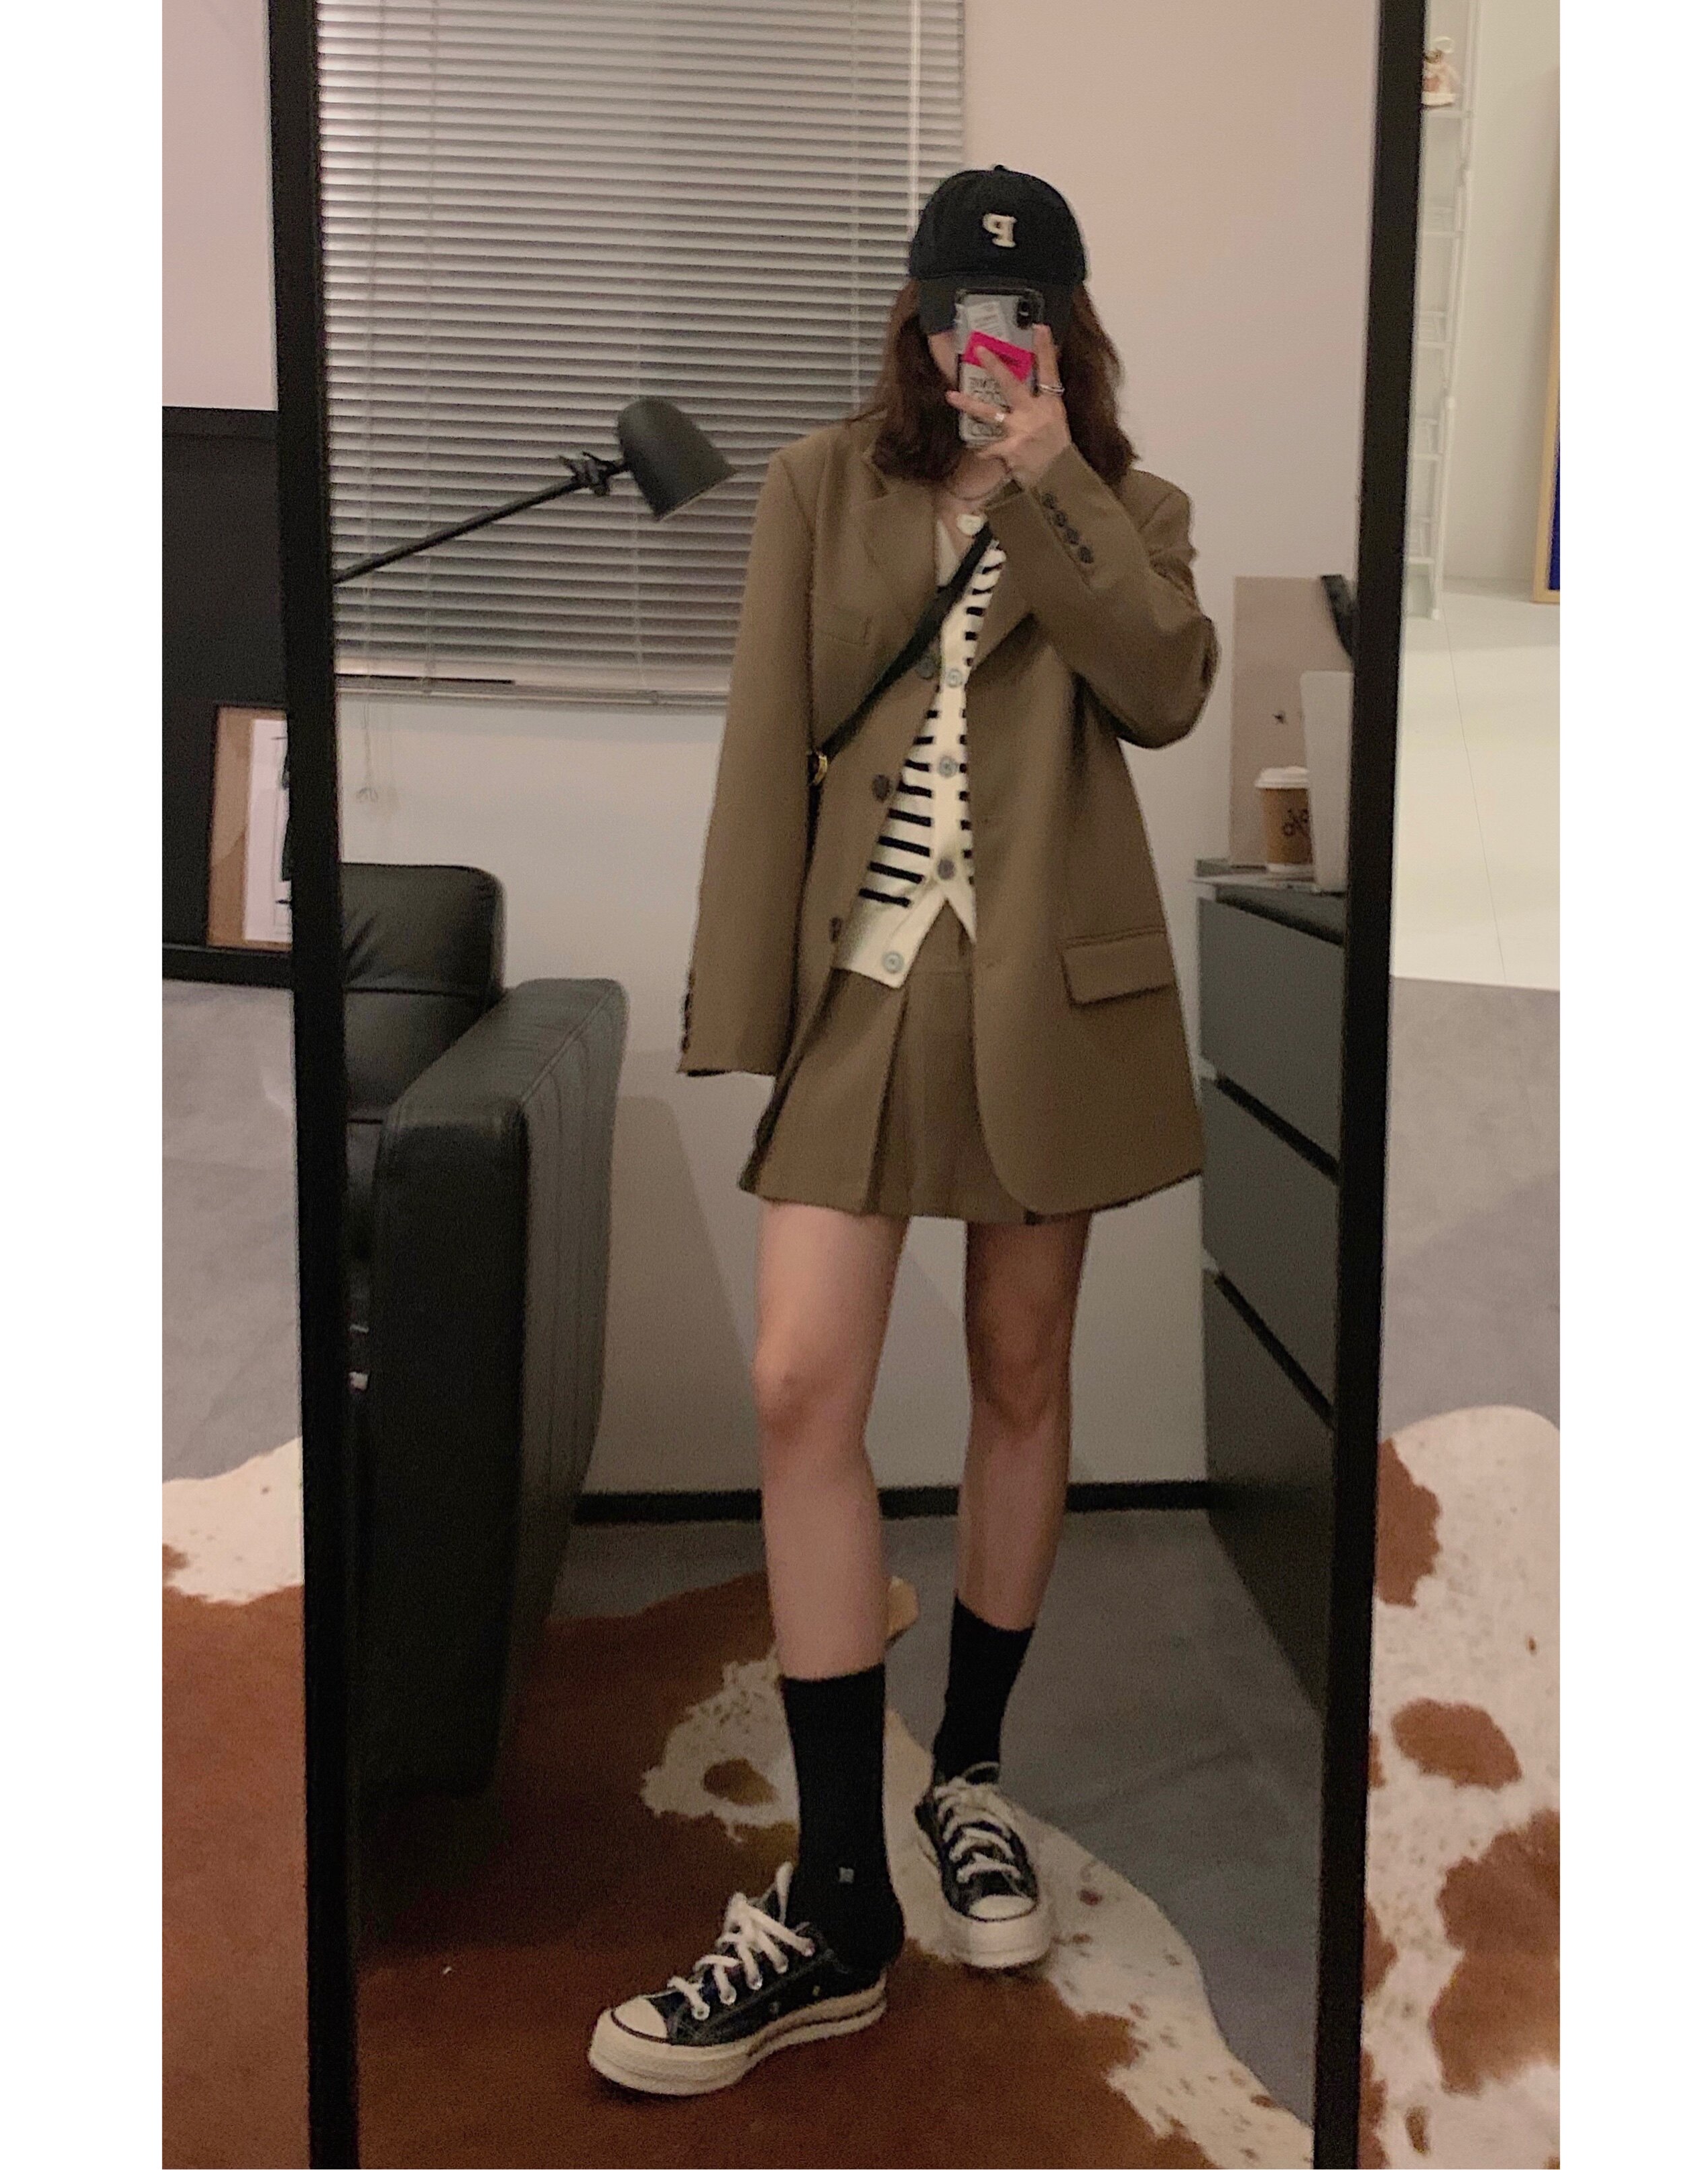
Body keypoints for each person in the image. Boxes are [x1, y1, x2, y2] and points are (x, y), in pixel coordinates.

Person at [587, 165, 1216, 2098]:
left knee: (1019, 1372)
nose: (975, 343)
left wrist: (1048, 477)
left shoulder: (1132, 508)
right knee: (800, 1384)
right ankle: (845, 1889)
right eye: (952, 310)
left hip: (1048, 999)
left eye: (1010, 316)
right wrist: (739, 1007)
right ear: (915, 316)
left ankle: (972, 1779)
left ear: (1064, 332)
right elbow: (763, 749)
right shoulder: (815, 486)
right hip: (866, 988)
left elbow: (1165, 691)